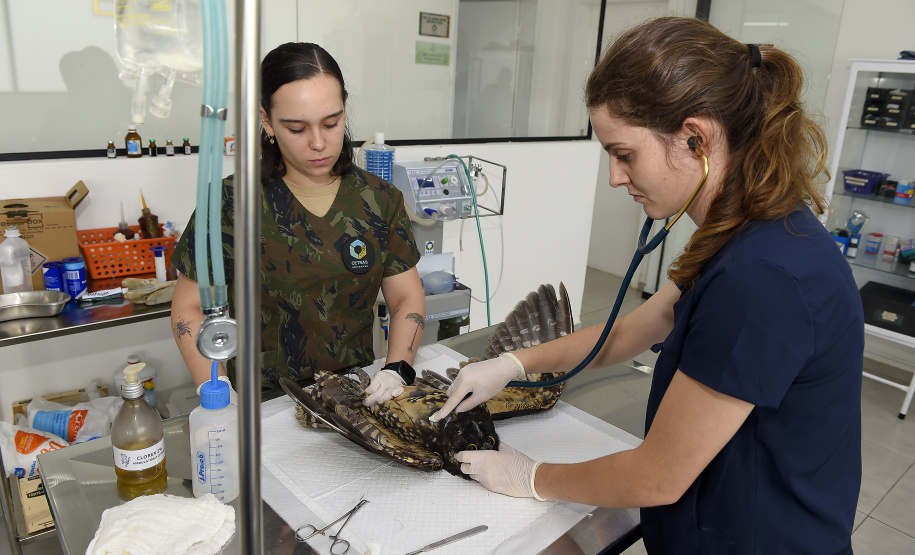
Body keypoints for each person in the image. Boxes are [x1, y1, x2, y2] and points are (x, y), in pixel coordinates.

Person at [432, 17, 863, 554]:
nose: (614, 177)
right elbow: (628, 333)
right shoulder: (744, 234)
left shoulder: (764, 279)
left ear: (696, 138)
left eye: (624, 153)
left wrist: (532, 478)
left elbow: (659, 476)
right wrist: (513, 365)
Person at [170, 42, 425, 405]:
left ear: (344, 110)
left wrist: (398, 368)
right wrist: (215, 388)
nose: (319, 143)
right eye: (296, 128)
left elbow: (406, 297)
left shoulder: (379, 200)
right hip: (262, 401)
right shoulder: (230, 203)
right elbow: (189, 307)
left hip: (354, 395)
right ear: (266, 121)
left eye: (332, 123)